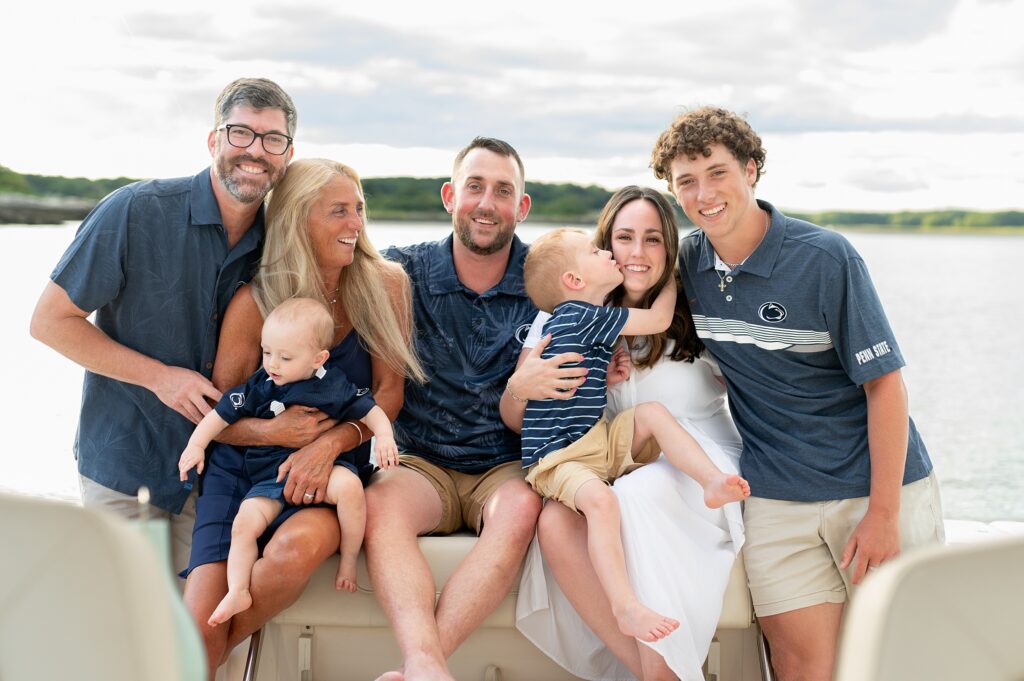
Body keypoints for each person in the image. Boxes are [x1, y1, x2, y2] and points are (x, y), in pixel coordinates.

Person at [650, 106, 945, 681]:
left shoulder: (825, 258)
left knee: (900, 664)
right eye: (686, 181)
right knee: (800, 667)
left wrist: (883, 513)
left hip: (876, 490)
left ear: (752, 170)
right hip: (777, 497)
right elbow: (630, 304)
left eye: (717, 172)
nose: (704, 193)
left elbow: (885, 386)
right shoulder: (686, 263)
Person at [29, 77, 297, 576]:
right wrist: (160, 377)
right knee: (126, 637)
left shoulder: (283, 241)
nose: (255, 152)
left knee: (198, 641)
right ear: (214, 140)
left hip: (221, 476)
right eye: (241, 133)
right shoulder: (135, 209)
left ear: (287, 153)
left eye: (272, 140)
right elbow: (50, 322)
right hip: (127, 464)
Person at [181, 158, 422, 678]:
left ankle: (200, 650)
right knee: (198, 623)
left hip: (330, 477)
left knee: (292, 553)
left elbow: (388, 394)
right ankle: (199, 648)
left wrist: (328, 444)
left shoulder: (386, 285)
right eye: (339, 211)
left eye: (359, 209)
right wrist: (276, 432)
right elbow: (224, 411)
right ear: (295, 218)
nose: (356, 223)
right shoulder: (256, 301)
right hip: (240, 473)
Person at [507, 186, 748, 680]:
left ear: (670, 249)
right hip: (605, 456)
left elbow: (758, 389)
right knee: (555, 521)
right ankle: (647, 667)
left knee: (638, 492)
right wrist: (519, 385)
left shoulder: (697, 313)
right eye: (623, 238)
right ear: (605, 246)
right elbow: (519, 418)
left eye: (654, 239)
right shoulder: (569, 314)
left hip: (691, 456)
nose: (637, 253)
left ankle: (662, 671)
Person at [365, 137, 542, 681]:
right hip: (423, 460)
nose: (487, 203)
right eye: (475, 187)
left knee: (519, 510)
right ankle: (424, 663)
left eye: (503, 190)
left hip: (506, 463)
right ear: (449, 196)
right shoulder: (402, 272)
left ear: (521, 206)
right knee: (381, 506)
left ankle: (421, 665)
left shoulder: (547, 278)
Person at [178, 296, 399, 626]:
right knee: (244, 523)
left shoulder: (332, 384)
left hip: (325, 473)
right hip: (269, 479)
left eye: (285, 357)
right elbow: (220, 415)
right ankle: (237, 589)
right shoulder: (261, 385)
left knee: (351, 488)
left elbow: (371, 410)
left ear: (317, 358)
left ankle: (350, 559)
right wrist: (196, 445)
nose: (272, 364)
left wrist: (385, 437)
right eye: (267, 352)